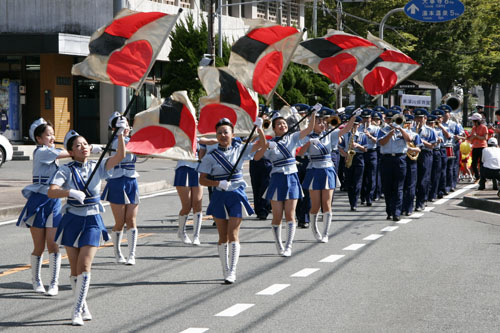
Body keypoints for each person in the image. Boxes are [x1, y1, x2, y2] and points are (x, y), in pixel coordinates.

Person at [47, 121, 127, 326]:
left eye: (85, 144)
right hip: (72, 219)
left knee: (84, 265)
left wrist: (119, 133)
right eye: (78, 146)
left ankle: (75, 311)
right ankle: (82, 305)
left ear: (90, 147)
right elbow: (51, 191)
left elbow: (120, 156)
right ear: (71, 152)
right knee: (74, 270)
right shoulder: (65, 170)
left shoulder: (98, 165)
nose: (83, 147)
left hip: (92, 219)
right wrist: (69, 192)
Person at [198, 118, 266, 284]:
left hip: (236, 194)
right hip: (219, 195)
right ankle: (225, 267)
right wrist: (217, 183)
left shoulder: (240, 149)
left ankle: (232, 270)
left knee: (233, 234)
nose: (222, 135)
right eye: (219, 132)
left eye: (226, 132)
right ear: (216, 135)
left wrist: (259, 128)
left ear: (232, 134)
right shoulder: (210, 156)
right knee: (222, 235)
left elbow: (262, 144)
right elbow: (202, 180)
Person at [16, 118, 73, 295]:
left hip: (53, 201)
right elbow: (65, 153)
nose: (52, 137)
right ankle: (36, 280)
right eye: (48, 135)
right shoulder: (41, 152)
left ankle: (54, 283)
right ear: (39, 139)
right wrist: (78, 147)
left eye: (53, 134)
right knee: (39, 247)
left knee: (54, 245)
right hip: (38, 200)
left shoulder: (51, 151)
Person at [254, 106, 317, 257]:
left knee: (290, 214)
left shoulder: (293, 137)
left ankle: (288, 245)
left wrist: (313, 114)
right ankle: (279, 244)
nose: (283, 126)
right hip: (277, 178)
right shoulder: (270, 142)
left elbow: (308, 129)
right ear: (274, 129)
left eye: (284, 123)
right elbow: (257, 157)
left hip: (292, 178)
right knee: (277, 216)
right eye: (279, 124)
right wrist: (266, 142)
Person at [302, 108, 356, 242]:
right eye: (318, 122)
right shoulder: (306, 137)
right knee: (315, 205)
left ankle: (326, 233)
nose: (322, 125)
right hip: (314, 170)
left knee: (327, 204)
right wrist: (309, 142)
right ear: (312, 123)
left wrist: (353, 117)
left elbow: (346, 129)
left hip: (327, 170)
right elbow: (299, 153)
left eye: (323, 122)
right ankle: (315, 230)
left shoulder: (330, 134)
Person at [101, 113, 139, 265]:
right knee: (120, 221)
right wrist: (120, 133)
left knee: (131, 219)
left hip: (131, 181)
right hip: (117, 182)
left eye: (126, 125)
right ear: (114, 128)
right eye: (121, 126)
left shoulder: (132, 141)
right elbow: (121, 151)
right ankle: (117, 252)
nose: (126, 128)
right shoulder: (115, 142)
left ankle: (132, 254)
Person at [173, 137, 215, 245]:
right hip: (183, 169)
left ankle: (196, 236)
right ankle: (181, 232)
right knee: (187, 206)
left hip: (197, 169)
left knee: (197, 203)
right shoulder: (180, 136)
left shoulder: (199, 138)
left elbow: (210, 141)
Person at [377, 109, 411, 221]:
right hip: (386, 159)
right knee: (387, 187)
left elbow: (409, 139)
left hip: (400, 158)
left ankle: (397, 212)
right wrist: (390, 133)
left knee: (398, 188)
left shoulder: (403, 130)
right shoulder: (383, 130)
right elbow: (381, 142)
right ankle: (389, 211)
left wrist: (400, 128)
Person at [340, 115, 367, 211]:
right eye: (352, 125)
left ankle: (355, 202)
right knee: (349, 182)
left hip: (358, 158)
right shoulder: (345, 135)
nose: (353, 126)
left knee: (357, 182)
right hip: (348, 157)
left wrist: (358, 145)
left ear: (359, 125)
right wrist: (344, 154)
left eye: (355, 125)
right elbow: (340, 146)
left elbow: (365, 149)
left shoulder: (362, 135)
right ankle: (351, 202)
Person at [414, 109, 437, 211]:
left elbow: (432, 145)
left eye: (421, 118)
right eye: (417, 117)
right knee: (412, 180)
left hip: (425, 154)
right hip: (412, 153)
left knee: (423, 179)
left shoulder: (430, 130)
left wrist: (420, 140)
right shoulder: (410, 129)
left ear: (425, 118)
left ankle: (421, 201)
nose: (419, 120)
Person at [402, 115, 422, 216]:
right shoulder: (398, 134)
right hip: (401, 160)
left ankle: (409, 208)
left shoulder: (414, 135)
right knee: (401, 185)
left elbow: (418, 149)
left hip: (411, 161)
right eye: (405, 123)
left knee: (410, 185)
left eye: (408, 123)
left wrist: (410, 149)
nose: (406, 125)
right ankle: (401, 207)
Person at [359, 109, 379, 206]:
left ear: (371, 118)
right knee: (362, 176)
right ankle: (362, 196)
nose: (366, 120)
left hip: (372, 153)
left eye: (368, 118)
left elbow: (378, 141)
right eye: (364, 118)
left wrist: (369, 135)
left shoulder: (375, 129)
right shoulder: (358, 128)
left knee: (371, 176)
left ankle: (369, 197)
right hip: (361, 153)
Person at [469, 112, 488, 189]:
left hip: (482, 147)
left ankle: (483, 178)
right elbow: (471, 138)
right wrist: (472, 137)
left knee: (482, 164)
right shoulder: (473, 128)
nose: (473, 122)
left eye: (473, 121)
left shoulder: (484, 127)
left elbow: (485, 138)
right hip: (475, 147)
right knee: (474, 163)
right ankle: (478, 176)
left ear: (477, 121)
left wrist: (476, 136)